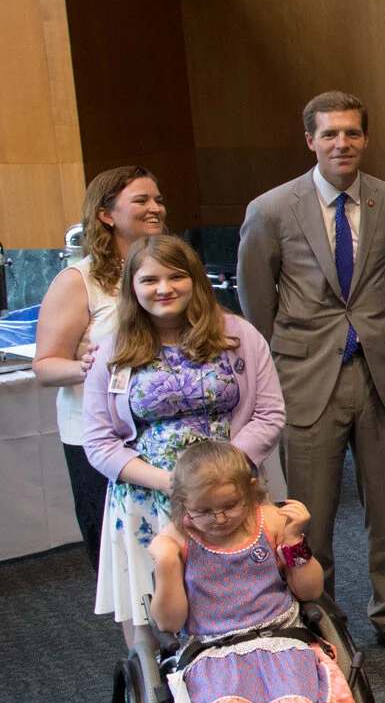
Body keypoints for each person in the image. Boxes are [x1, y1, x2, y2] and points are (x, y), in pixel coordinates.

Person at [234, 94, 385, 659]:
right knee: (308, 513)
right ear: (310, 140)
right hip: (305, 376)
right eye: (331, 134)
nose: (343, 144)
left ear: (365, 138)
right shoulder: (271, 208)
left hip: (377, 372)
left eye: (353, 133)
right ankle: (320, 618)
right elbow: (256, 299)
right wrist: (293, 349)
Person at [147, 442, 365, 703]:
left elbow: (310, 590)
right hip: (213, 652)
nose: (219, 518)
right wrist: (167, 565)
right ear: (182, 505)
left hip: (280, 641)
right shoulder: (177, 539)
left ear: (251, 490)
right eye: (204, 511)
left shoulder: (270, 521)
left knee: (296, 702)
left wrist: (295, 540)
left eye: (230, 506)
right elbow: (170, 622)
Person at [87, 236, 288, 648]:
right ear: (133, 287)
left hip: (229, 494)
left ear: (195, 280)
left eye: (176, 277)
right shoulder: (112, 350)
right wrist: (172, 484)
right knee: (156, 609)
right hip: (150, 497)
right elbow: (98, 441)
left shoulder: (239, 336)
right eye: (150, 280)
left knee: (243, 596)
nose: (164, 288)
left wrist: (218, 479)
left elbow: (270, 414)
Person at [36, 168, 166, 564]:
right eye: (141, 200)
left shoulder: (170, 272)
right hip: (100, 434)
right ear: (106, 215)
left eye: (158, 200)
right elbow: (45, 366)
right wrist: (87, 369)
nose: (155, 208)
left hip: (164, 429)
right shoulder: (79, 280)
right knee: (121, 555)